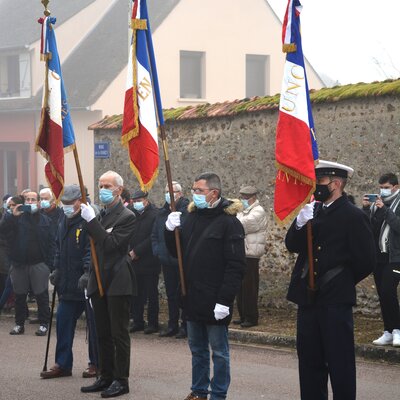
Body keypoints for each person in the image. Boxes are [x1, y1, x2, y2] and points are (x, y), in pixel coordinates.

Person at [285, 160, 376, 400]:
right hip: (308, 298)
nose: (316, 187)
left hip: (335, 300)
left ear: (336, 184)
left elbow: (366, 260)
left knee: (340, 362)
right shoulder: (312, 210)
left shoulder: (352, 215)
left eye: (321, 182)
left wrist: (341, 280)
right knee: (309, 361)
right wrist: (300, 223)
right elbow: (292, 245)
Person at [165, 172, 245, 400]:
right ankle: (199, 391)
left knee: (219, 352)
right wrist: (169, 232)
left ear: (214, 193)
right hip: (192, 296)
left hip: (215, 299)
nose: (194, 195)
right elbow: (176, 253)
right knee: (197, 350)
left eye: (199, 191)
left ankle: (218, 394)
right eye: (193, 190)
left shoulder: (230, 223)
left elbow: (236, 266)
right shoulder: (191, 218)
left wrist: (225, 300)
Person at [80, 171, 136, 398]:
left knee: (118, 333)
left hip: (117, 280)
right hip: (98, 278)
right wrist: (90, 220)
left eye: (107, 186)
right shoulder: (100, 215)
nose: (102, 189)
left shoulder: (127, 216)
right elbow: (93, 244)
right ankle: (106, 375)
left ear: (119, 190)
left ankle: (121, 380)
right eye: (100, 185)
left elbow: (111, 244)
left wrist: (92, 222)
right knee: (101, 332)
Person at [40, 185, 97, 379]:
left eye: (70, 203)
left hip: (86, 283)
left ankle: (95, 363)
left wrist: (88, 272)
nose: (65, 207)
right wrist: (56, 268)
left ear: (80, 201)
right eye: (63, 203)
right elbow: (58, 246)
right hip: (67, 283)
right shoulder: (64, 219)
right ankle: (63, 364)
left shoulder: (89, 217)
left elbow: (92, 248)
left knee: (93, 325)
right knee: (63, 322)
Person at [0, 191, 55, 336]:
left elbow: (52, 243)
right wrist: (12, 216)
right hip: (19, 264)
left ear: (38, 202)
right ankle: (19, 324)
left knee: (41, 295)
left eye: (33, 199)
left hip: (39, 264)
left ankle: (44, 323)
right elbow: (2, 230)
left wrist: (48, 264)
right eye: (27, 199)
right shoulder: (16, 218)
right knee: (19, 296)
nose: (30, 202)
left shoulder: (45, 220)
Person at [362, 173, 400, 346]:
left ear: (396, 187)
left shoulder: (397, 203)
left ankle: (397, 330)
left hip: (395, 257)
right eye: (381, 187)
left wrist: (385, 210)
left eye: (386, 187)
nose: (383, 191)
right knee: (382, 295)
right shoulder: (376, 205)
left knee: (388, 291)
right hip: (379, 257)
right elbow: (369, 228)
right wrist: (366, 209)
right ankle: (388, 331)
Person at [152, 181, 189, 338]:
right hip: (166, 260)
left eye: (172, 191)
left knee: (184, 293)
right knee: (171, 294)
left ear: (179, 194)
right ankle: (172, 324)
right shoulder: (161, 213)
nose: (169, 194)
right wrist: (158, 251)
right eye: (167, 191)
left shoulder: (186, 211)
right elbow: (154, 235)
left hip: (181, 261)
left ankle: (185, 325)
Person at [129, 189, 160, 334]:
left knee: (151, 294)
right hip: (133, 261)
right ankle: (138, 321)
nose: (136, 204)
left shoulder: (154, 214)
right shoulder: (131, 215)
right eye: (134, 201)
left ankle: (153, 323)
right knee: (136, 294)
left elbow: (152, 236)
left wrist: (137, 251)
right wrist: (130, 251)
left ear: (146, 200)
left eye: (139, 201)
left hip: (149, 260)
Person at [235, 185, 267, 328]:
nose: (243, 200)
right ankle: (242, 315)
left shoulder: (258, 211)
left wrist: (233, 222)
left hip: (251, 253)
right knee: (240, 287)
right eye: (242, 197)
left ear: (253, 198)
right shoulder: (243, 211)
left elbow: (244, 225)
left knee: (249, 287)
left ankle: (251, 317)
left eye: (246, 198)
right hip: (242, 252)